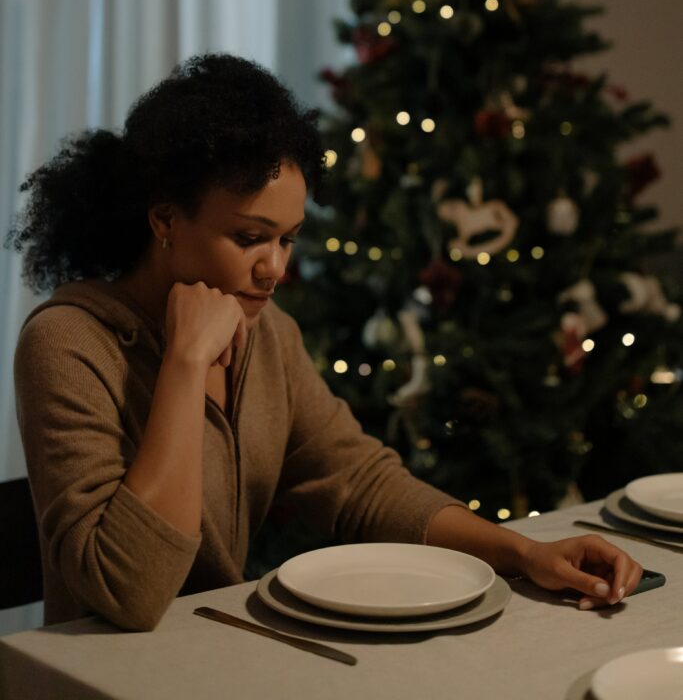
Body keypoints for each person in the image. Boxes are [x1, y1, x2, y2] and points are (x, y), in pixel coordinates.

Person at [9, 53, 642, 631]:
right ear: (166, 220)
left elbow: (357, 480)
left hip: (210, 657)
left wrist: (525, 551)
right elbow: (131, 593)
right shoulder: (68, 344)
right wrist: (184, 361)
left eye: (288, 238)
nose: (274, 268)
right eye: (250, 237)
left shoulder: (268, 334)